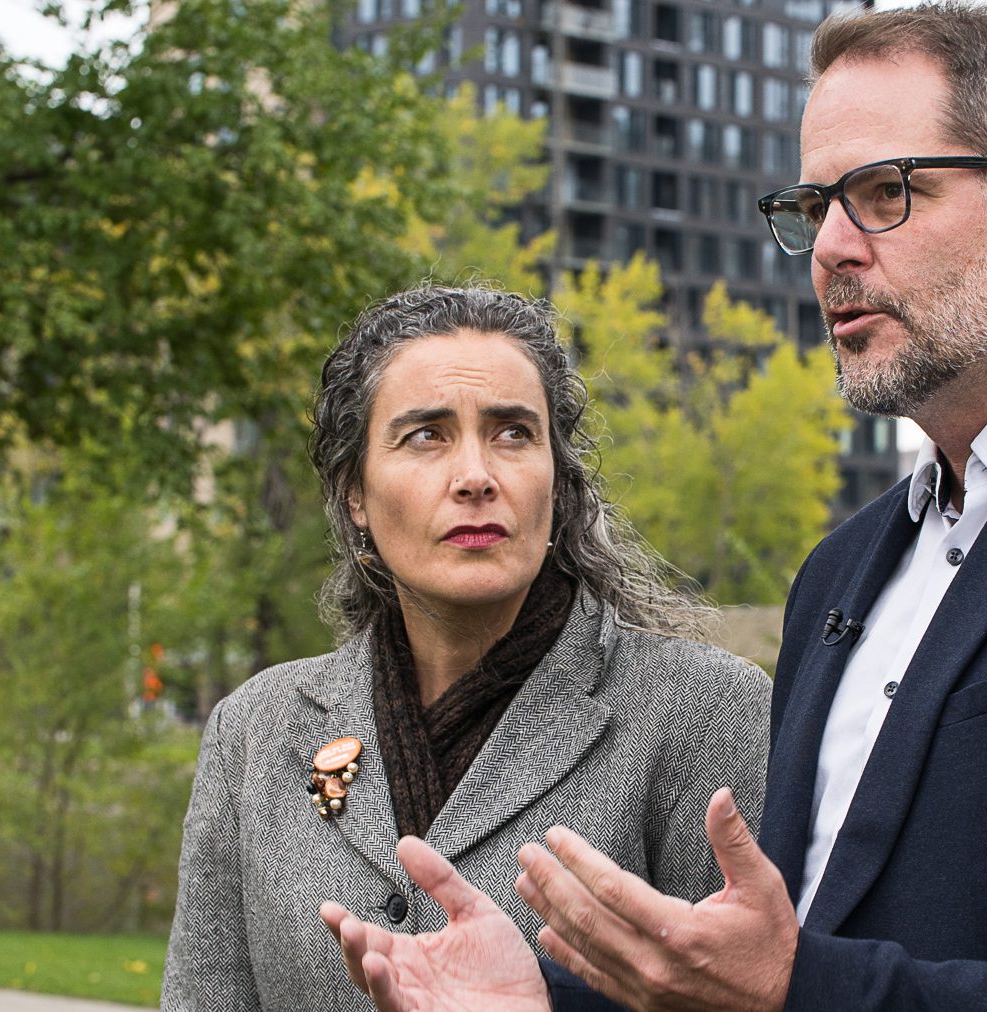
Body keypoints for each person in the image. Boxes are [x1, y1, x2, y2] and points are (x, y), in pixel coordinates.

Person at [322, 4, 987, 1011]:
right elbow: (782, 953)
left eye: (884, 192)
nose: (831, 246)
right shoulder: (845, 569)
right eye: (812, 204)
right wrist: (549, 996)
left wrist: (801, 986)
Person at [160, 285, 772, 1010]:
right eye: (427, 435)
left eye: (514, 433)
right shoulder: (254, 732)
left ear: (559, 480)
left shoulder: (702, 712)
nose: (477, 477)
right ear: (355, 492)